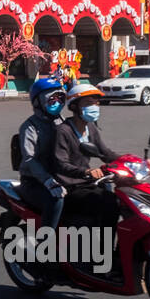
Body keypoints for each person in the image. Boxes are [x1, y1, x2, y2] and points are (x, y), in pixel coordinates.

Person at [52, 84, 125, 238]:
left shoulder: (90, 127)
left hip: (87, 183)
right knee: (108, 203)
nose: (94, 107)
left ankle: (107, 249)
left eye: (96, 103)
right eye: (88, 103)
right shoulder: (63, 131)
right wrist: (86, 171)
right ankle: (100, 252)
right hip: (69, 186)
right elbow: (61, 164)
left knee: (121, 200)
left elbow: (105, 153)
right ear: (74, 107)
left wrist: (132, 160)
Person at [16, 77, 69, 230]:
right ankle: (46, 242)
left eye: (60, 98)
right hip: (35, 181)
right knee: (56, 199)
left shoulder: (63, 122)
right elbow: (30, 159)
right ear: (38, 102)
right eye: (51, 99)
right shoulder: (29, 127)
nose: (57, 102)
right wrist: (48, 181)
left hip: (61, 177)